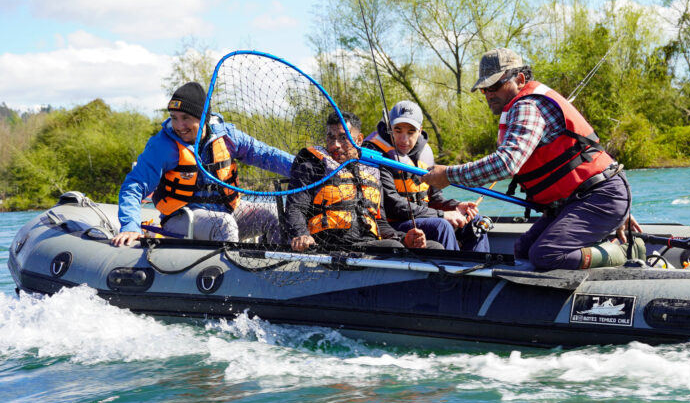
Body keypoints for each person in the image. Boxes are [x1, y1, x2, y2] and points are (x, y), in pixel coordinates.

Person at [421, 48, 643, 270]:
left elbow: (506, 163)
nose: (489, 93)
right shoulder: (522, 105)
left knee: (546, 255)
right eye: (484, 89)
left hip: (598, 196)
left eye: (495, 85)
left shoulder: (527, 106)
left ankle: (626, 251)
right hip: (579, 200)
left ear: (519, 79)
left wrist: (448, 175)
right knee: (524, 250)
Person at [111, 82, 294, 247]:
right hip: (183, 218)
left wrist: (307, 168)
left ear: (204, 118)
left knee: (275, 215)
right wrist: (130, 225)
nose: (179, 125)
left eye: (185, 118)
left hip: (228, 211)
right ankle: (229, 279)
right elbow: (133, 186)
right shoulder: (161, 146)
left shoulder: (228, 136)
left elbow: (266, 155)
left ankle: (271, 271)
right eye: (174, 117)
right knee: (224, 224)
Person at [284, 110, 440, 252]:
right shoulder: (311, 167)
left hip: (368, 244)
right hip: (330, 246)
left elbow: (380, 222)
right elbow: (295, 208)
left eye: (343, 138)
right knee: (393, 248)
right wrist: (301, 234)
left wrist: (403, 238)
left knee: (435, 248)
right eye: (331, 138)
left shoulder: (372, 170)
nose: (335, 145)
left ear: (359, 139)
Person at [363, 100, 490, 252]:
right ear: (390, 128)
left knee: (476, 221)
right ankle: (452, 273)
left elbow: (434, 199)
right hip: (394, 224)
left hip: (423, 216)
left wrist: (455, 206)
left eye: (411, 132)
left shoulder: (424, 154)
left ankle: (479, 272)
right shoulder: (376, 154)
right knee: (441, 226)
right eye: (398, 130)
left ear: (420, 130)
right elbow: (392, 205)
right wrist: (442, 215)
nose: (404, 139)